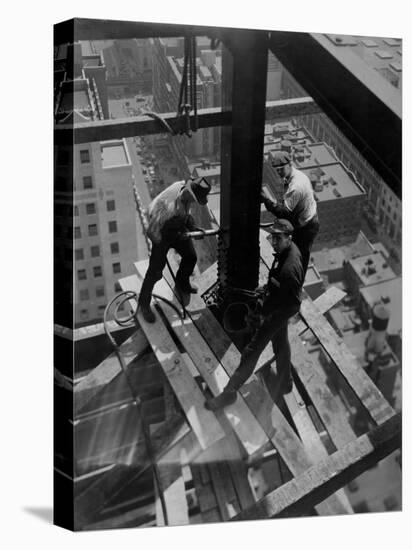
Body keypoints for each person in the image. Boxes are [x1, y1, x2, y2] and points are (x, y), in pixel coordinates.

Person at [205, 219, 304, 411]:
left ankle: (229, 394)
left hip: (279, 311)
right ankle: (286, 382)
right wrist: (267, 290)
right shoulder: (289, 251)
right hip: (279, 307)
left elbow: (292, 302)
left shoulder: (288, 270)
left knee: (251, 352)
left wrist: (265, 314)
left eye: (279, 238)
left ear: (288, 238)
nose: (274, 241)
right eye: (273, 237)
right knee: (281, 344)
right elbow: (281, 288)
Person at [138, 177, 211, 323]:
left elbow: (186, 214)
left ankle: (182, 283)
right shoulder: (168, 207)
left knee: (190, 257)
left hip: (176, 228)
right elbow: (153, 230)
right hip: (160, 233)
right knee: (155, 272)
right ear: (190, 193)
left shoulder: (180, 187)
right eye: (194, 198)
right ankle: (143, 304)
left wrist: (193, 228)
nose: (194, 202)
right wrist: (178, 235)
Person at [261, 150, 319, 274]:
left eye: (281, 169)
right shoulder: (294, 175)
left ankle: (294, 284)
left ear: (290, 164)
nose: (279, 172)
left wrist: (267, 201)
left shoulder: (296, 186)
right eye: (277, 170)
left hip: (306, 226)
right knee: (292, 253)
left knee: (299, 258)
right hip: (304, 220)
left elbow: (284, 214)